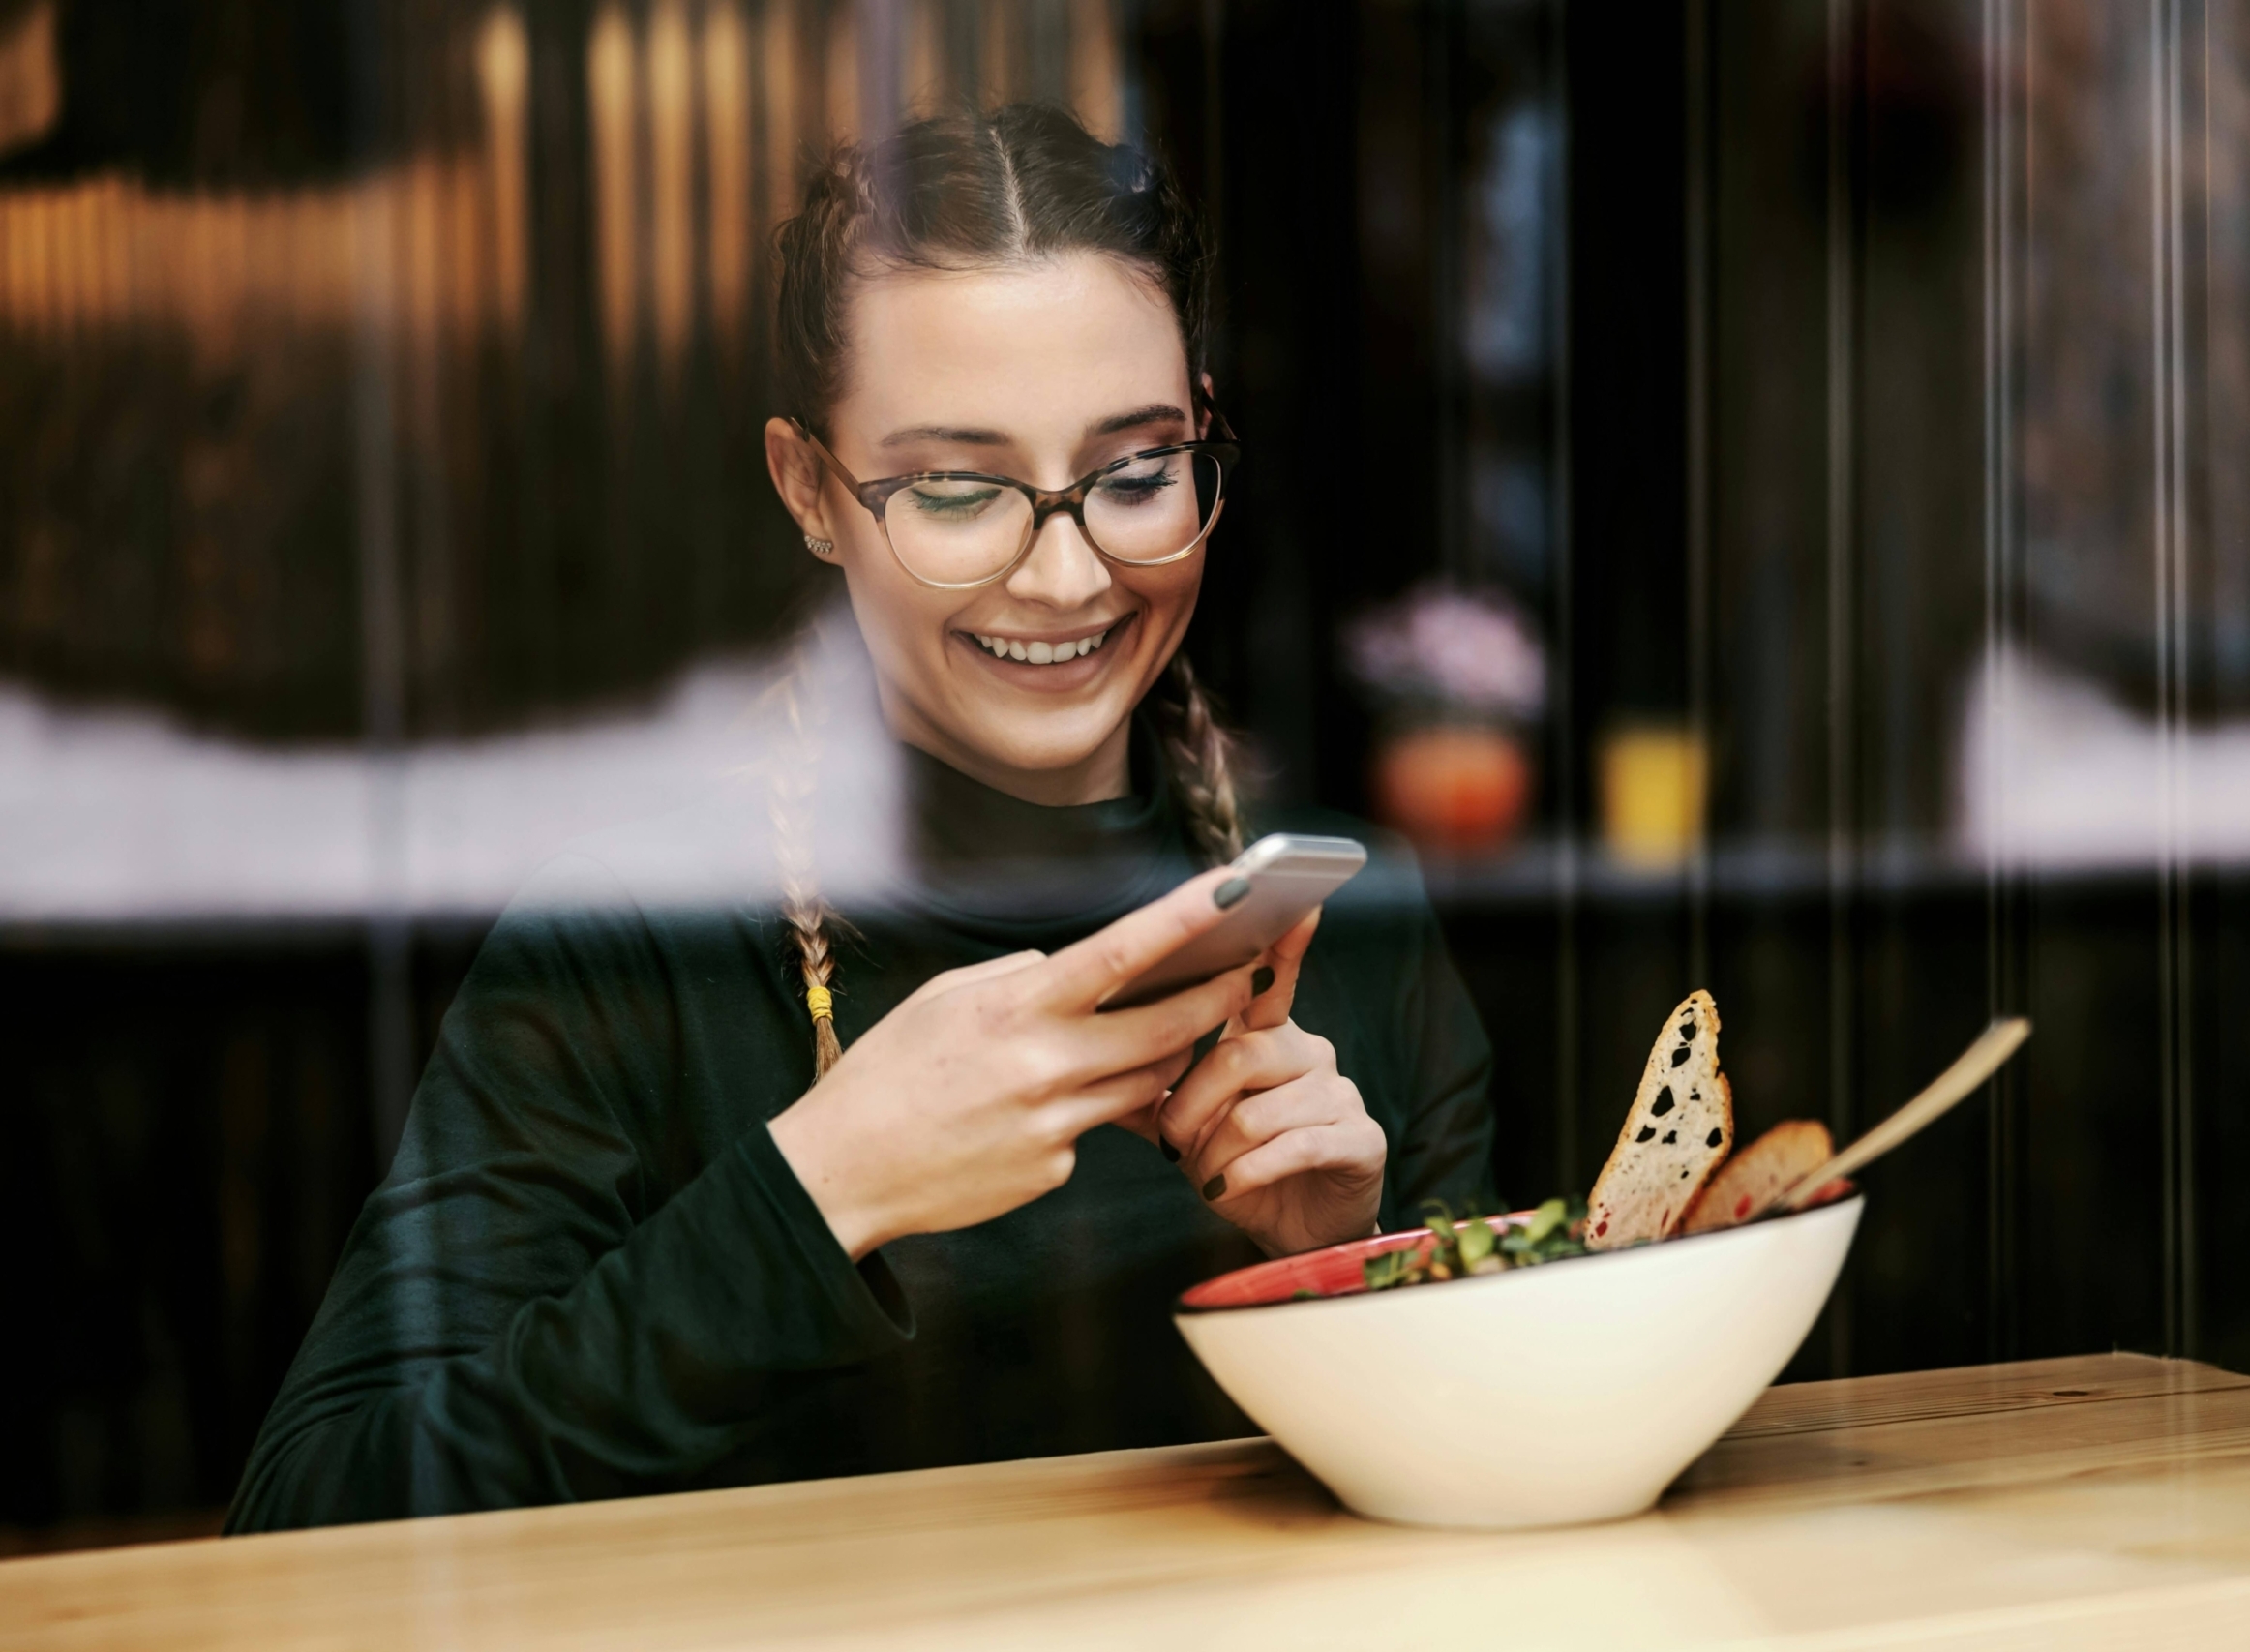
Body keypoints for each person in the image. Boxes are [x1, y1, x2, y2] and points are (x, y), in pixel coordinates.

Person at [226, 105, 1497, 1531]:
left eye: (1137, 475)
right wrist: (817, 1187)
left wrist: (1350, 1267)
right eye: (956, 490)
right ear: (808, 490)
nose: (1069, 577)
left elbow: (1491, 1499)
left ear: (1202, 432)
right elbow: (307, 1520)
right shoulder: (637, 940)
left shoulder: (1344, 918)